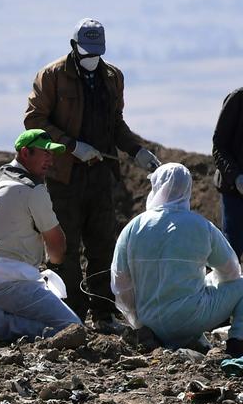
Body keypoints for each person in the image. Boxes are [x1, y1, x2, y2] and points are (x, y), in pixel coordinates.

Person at [25, 18, 161, 331]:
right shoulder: (52, 77)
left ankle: (103, 315)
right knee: (66, 248)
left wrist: (135, 150)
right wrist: (72, 146)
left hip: (100, 176)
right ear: (74, 46)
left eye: (96, 51)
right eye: (86, 51)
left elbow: (116, 124)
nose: (92, 57)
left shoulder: (112, 77)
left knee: (103, 246)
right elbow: (34, 120)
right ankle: (70, 317)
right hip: (65, 177)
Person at [0, 129, 82, 341]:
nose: (50, 160)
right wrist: (55, 264)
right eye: (44, 153)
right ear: (24, 153)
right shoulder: (32, 189)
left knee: (41, 318)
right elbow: (56, 242)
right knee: (71, 329)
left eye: (52, 154)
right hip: (15, 280)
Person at [112, 163, 243, 357]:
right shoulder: (201, 226)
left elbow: (120, 284)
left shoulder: (133, 227)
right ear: (188, 188)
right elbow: (231, 271)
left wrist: (138, 321)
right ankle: (237, 342)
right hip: (190, 320)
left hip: (149, 321)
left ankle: (163, 340)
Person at [212, 86, 243, 255]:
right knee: (232, 253)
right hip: (234, 193)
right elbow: (219, 146)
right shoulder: (237, 99)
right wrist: (236, 177)